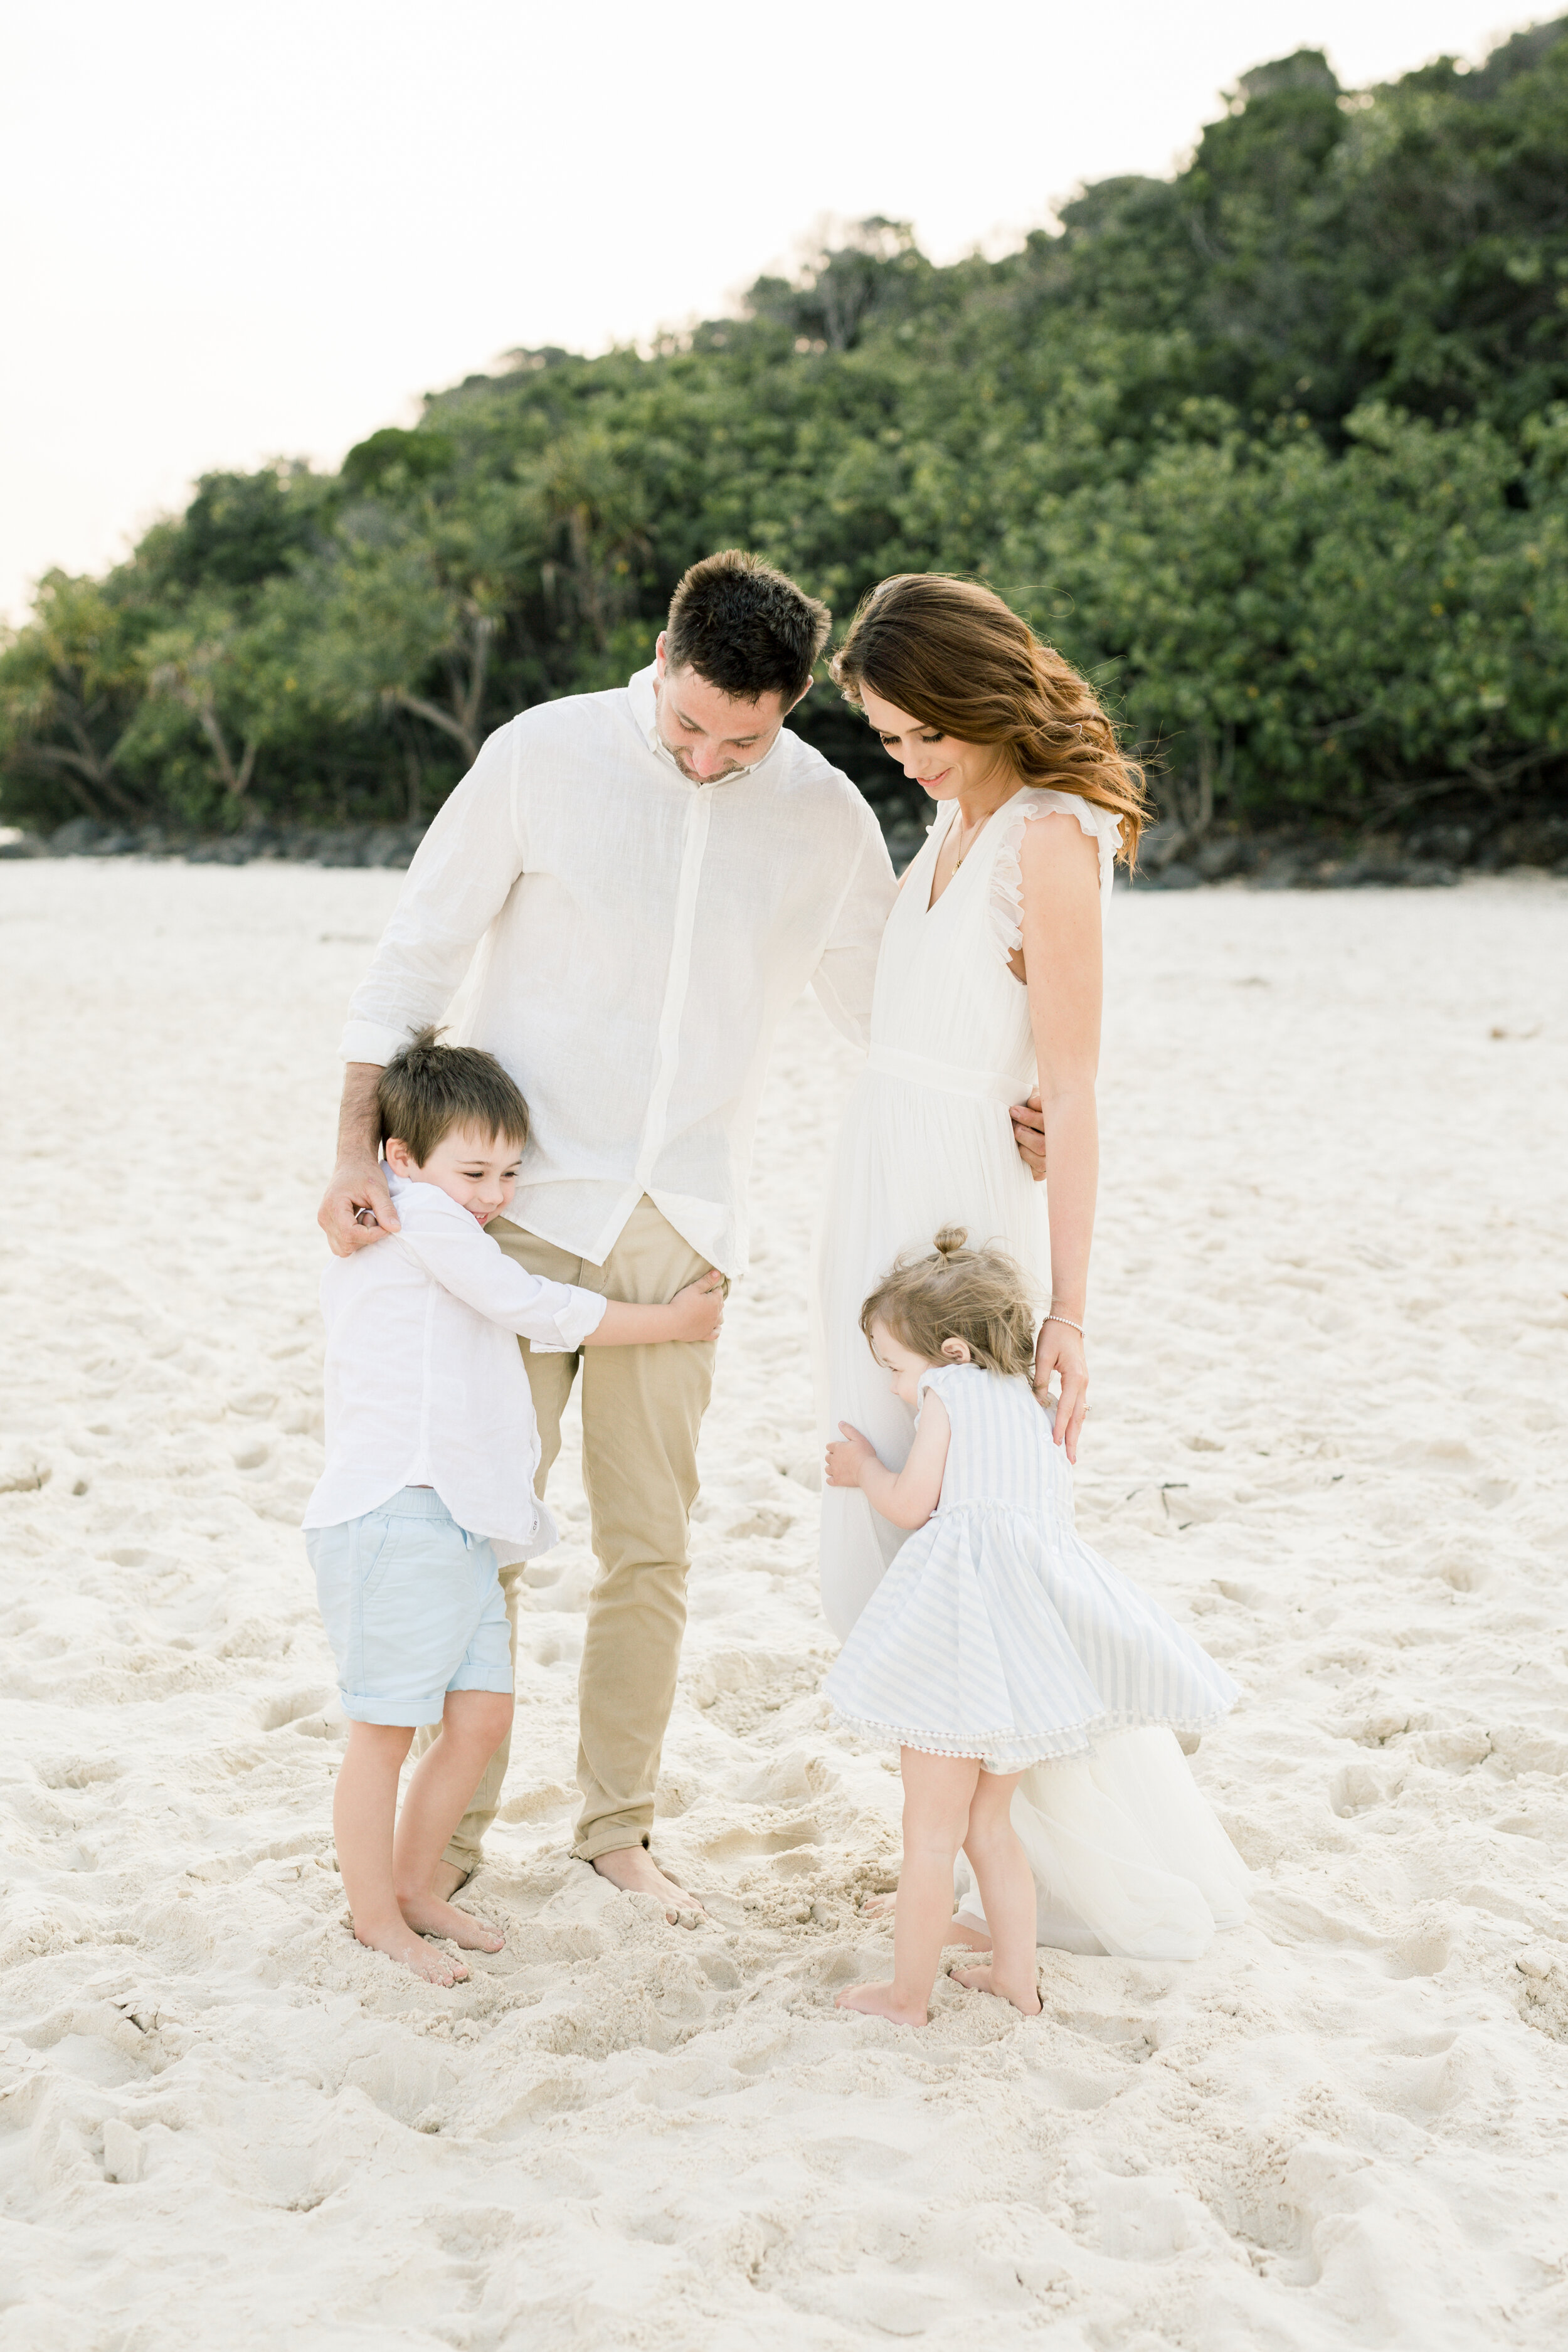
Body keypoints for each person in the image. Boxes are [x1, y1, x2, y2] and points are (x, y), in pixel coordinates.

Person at [319, 551, 1045, 1921]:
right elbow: (415, 950)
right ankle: (449, 1837)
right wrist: (352, 1146)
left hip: (682, 1221)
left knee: (649, 1544)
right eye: (690, 724)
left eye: (745, 736)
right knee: (476, 1529)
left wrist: (1015, 1097)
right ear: (660, 655)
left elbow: (879, 1004)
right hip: (509, 1208)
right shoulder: (538, 756)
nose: (710, 757)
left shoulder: (825, 817)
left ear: (788, 713)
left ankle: (615, 1828)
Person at [815, 572, 1244, 1959]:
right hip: (876, 1197)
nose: (908, 757)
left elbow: (1071, 1083)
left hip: (961, 1217)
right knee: (875, 1547)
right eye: (885, 740)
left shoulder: (1050, 838)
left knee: (967, 1552)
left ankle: (1049, 1871)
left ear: (975, 691)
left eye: (918, 728)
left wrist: (1070, 1313)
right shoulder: (947, 823)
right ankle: (963, 1846)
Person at [304, 1030, 723, 1983]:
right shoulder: (419, 1217)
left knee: (482, 1716)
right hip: (396, 1510)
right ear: (401, 1159)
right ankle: (378, 1916)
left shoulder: (437, 1211)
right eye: (476, 1170)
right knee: (382, 1732)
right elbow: (541, 1306)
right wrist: (673, 1322)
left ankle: (415, 1885)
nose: (495, 1195)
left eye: (509, 1173)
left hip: (455, 1517)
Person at [824, 1231, 1247, 2024]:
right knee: (991, 1828)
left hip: (956, 1649)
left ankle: (905, 1998)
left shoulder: (951, 1395)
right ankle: (1014, 1980)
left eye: (894, 1369)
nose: (889, 1389)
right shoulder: (1035, 1409)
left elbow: (914, 1506)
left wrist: (862, 1473)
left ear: (949, 1353)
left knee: (928, 1837)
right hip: (1025, 1666)